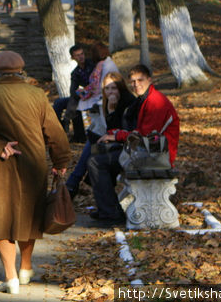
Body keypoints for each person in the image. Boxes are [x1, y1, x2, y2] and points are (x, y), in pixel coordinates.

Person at [0, 51, 71, 293]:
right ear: (21, 70)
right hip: (33, 163)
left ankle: (10, 277)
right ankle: (25, 268)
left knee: (0, 218)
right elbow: (54, 131)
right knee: (28, 215)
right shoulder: (36, 95)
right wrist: (61, 159)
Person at [87, 64, 180, 225]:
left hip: (156, 157)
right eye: (133, 82)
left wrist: (117, 136)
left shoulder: (155, 101)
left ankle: (111, 213)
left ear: (149, 80)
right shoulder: (147, 99)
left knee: (96, 162)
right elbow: (140, 133)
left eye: (140, 80)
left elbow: (145, 135)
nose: (136, 85)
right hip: (148, 152)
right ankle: (109, 210)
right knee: (98, 153)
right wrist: (116, 134)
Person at [65, 71, 135, 197]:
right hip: (118, 141)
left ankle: (72, 184)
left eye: (114, 88)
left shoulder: (128, 102)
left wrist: (111, 110)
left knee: (94, 152)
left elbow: (122, 129)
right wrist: (110, 109)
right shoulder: (109, 102)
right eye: (107, 88)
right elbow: (111, 129)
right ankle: (72, 184)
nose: (110, 92)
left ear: (121, 87)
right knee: (93, 139)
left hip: (128, 146)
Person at [52, 44, 95, 143]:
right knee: (59, 102)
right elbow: (73, 90)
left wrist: (82, 91)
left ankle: (67, 120)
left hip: (93, 94)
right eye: (77, 55)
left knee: (74, 101)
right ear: (72, 57)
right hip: (81, 97)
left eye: (82, 54)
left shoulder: (92, 65)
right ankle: (58, 129)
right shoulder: (76, 72)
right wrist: (79, 93)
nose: (81, 57)